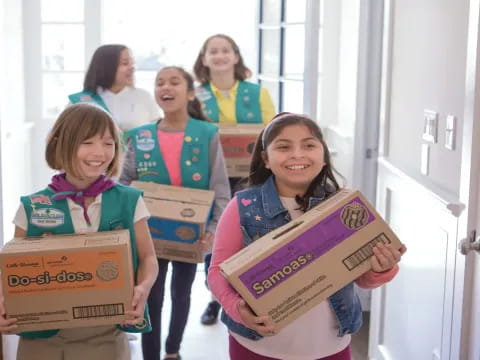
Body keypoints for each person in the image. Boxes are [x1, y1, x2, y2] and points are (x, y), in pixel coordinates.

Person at [208, 112, 407, 360]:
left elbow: (362, 279)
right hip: (256, 346)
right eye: (283, 147)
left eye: (309, 145)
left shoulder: (345, 207)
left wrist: (381, 269)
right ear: (266, 159)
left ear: (323, 156)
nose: (297, 154)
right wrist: (238, 309)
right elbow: (216, 272)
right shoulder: (242, 207)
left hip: (330, 346)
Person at [0, 103, 159, 360]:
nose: (100, 152)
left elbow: (148, 257)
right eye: (87, 142)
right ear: (61, 144)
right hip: (44, 339)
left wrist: (144, 287)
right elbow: (12, 270)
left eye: (109, 143)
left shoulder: (129, 201)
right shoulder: (32, 207)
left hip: (107, 336)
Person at [119, 66, 230, 360]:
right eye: (159, 83)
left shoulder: (206, 134)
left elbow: (220, 184)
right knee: (150, 296)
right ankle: (150, 355)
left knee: (181, 294)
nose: (165, 87)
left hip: (191, 233)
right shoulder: (140, 136)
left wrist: (214, 228)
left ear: (190, 92)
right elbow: (124, 181)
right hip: (148, 233)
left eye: (174, 82)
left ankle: (172, 351)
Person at [194, 33, 276, 325]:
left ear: (236, 56)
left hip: (251, 175)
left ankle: (251, 294)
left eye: (225, 50)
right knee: (215, 237)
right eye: (212, 51)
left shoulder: (258, 93)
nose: (219, 55)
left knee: (249, 235)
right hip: (210, 177)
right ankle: (214, 298)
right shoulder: (196, 95)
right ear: (204, 59)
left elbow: (271, 131)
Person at [68, 44, 160, 131]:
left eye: (132, 63)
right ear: (106, 67)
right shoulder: (80, 101)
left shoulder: (143, 97)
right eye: (125, 63)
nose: (132, 68)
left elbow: (156, 133)